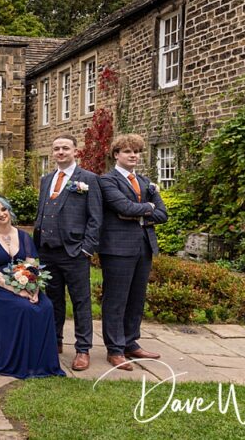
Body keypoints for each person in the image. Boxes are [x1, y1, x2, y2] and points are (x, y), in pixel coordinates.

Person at [0, 196, 65, 379]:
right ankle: (16, 361)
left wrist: (34, 289)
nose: (1, 214)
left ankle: (40, 361)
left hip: (24, 284)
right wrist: (17, 290)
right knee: (22, 308)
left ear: (9, 210)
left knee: (45, 306)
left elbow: (32, 266)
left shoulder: (23, 236)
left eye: (4, 209)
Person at [98, 134, 168, 370]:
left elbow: (162, 214)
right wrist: (148, 207)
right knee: (116, 300)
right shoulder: (107, 181)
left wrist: (140, 211)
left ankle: (131, 342)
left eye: (136, 152)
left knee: (136, 298)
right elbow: (122, 206)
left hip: (143, 247)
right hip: (117, 249)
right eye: (128, 151)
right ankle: (115, 349)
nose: (133, 156)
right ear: (116, 155)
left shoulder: (146, 182)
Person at [33, 134, 103, 372]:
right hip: (47, 251)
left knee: (81, 301)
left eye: (65, 148)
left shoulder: (89, 180)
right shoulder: (46, 179)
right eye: (56, 148)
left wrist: (86, 249)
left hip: (74, 251)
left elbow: (96, 218)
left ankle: (83, 349)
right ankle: (55, 341)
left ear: (76, 151)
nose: (60, 152)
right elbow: (43, 211)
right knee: (53, 300)